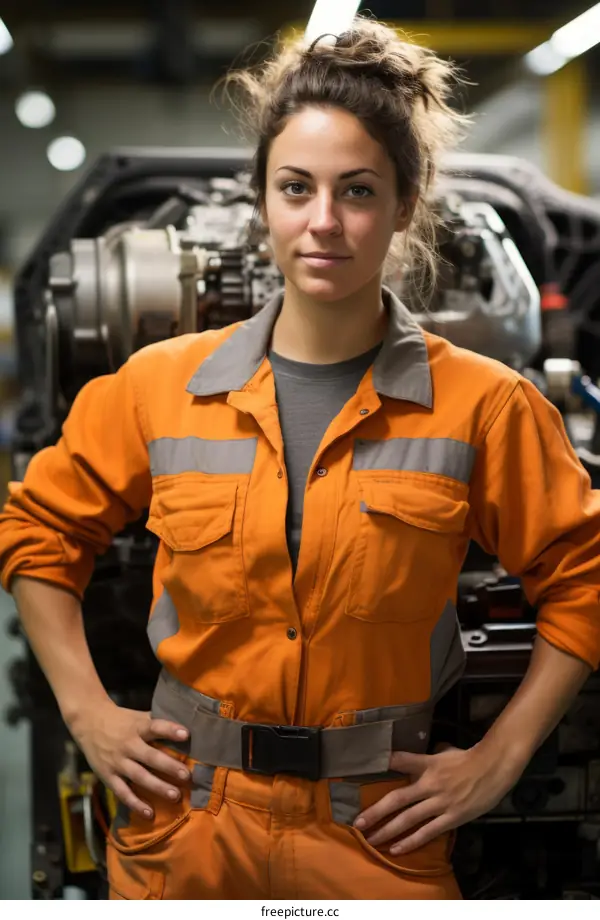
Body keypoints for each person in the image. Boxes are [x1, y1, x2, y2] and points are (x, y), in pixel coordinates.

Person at [1, 17, 600, 901]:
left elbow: (583, 578)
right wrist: (86, 711)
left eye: (357, 192)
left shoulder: (485, 406)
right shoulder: (156, 388)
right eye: (296, 188)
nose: (323, 223)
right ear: (263, 200)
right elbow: (36, 529)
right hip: (185, 827)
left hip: (380, 831)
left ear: (404, 203)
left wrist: (498, 760)